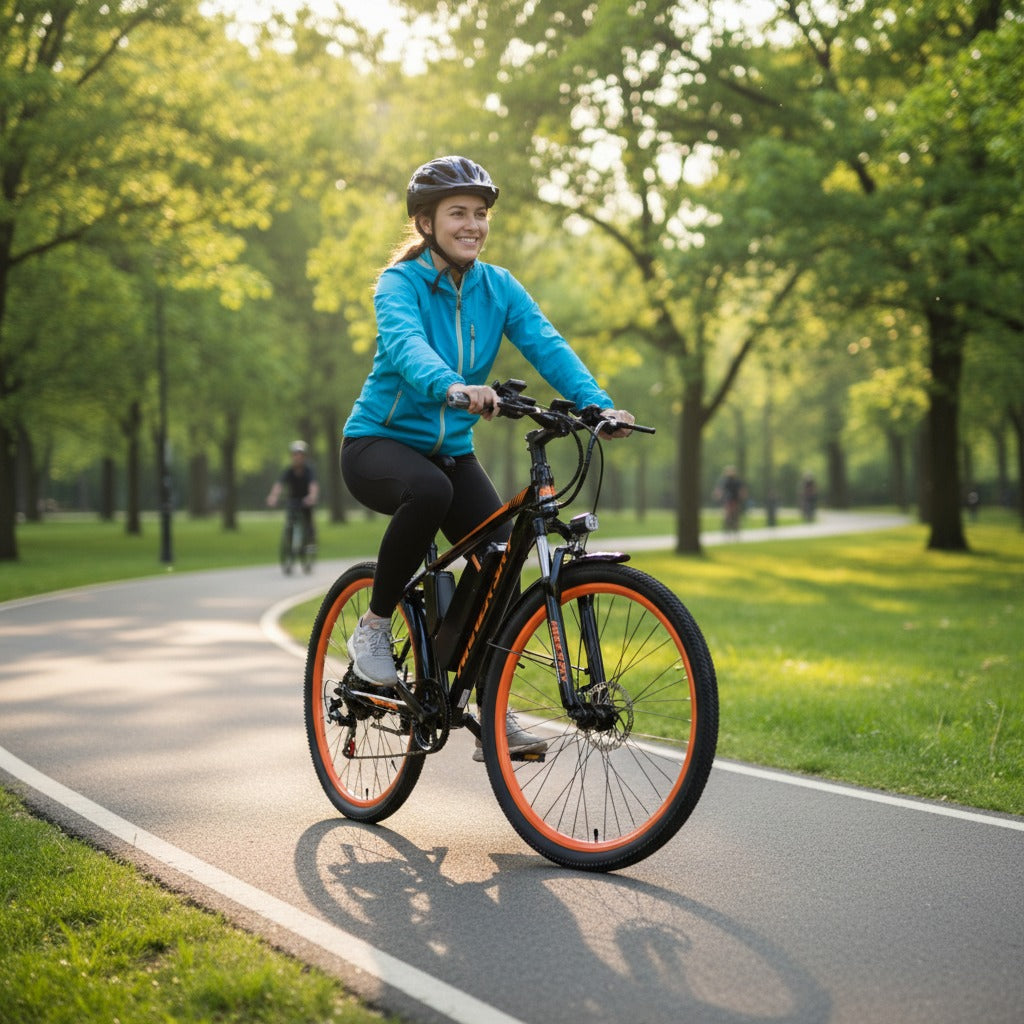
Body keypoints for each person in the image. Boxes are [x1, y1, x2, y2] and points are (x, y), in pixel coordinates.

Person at [339, 155, 635, 760]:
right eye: (458, 214)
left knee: (500, 562)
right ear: (426, 223)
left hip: (450, 451)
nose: (472, 224)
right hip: (378, 445)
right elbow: (405, 344)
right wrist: (451, 384)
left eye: (480, 214)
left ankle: (489, 710)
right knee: (432, 494)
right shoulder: (400, 284)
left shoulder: (499, 287)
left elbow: (545, 344)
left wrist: (597, 407)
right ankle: (373, 627)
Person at [267, 441, 319, 550]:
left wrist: (312, 496)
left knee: (308, 518)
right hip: (293, 499)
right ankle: (289, 542)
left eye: (300, 455)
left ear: (304, 457)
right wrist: (273, 496)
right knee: (290, 520)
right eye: (295, 455)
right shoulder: (289, 471)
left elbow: (313, 484)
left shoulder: (308, 470)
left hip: (305, 500)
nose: (297, 457)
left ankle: (310, 541)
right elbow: (279, 484)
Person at [714, 465, 747, 534]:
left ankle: (735, 526)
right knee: (727, 513)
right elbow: (719, 489)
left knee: (735, 513)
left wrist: (742, 495)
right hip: (727, 499)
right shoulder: (724, 481)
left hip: (735, 499)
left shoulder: (737, 481)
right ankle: (728, 526)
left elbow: (742, 489)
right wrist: (718, 495)